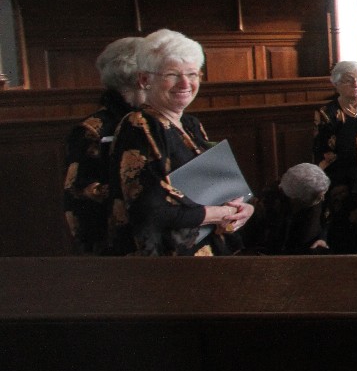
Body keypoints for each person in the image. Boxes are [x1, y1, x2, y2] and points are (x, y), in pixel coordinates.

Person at [110, 29, 254, 255]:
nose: (185, 83)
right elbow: (149, 210)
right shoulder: (139, 126)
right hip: (168, 259)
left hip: (207, 247)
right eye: (172, 74)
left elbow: (217, 185)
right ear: (145, 80)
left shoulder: (190, 124)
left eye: (192, 74)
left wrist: (244, 208)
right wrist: (220, 213)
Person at [64, 36, 144, 254]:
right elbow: (79, 196)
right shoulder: (92, 130)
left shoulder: (152, 120)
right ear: (138, 77)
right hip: (116, 244)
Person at [312, 60, 357, 254]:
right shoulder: (327, 113)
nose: (356, 84)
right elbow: (323, 152)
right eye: (348, 80)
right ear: (336, 83)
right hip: (339, 175)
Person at [245, 163, 331, 254]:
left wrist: (322, 239)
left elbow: (324, 222)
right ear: (297, 198)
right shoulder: (264, 205)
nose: (323, 199)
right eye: (318, 197)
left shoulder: (315, 194)